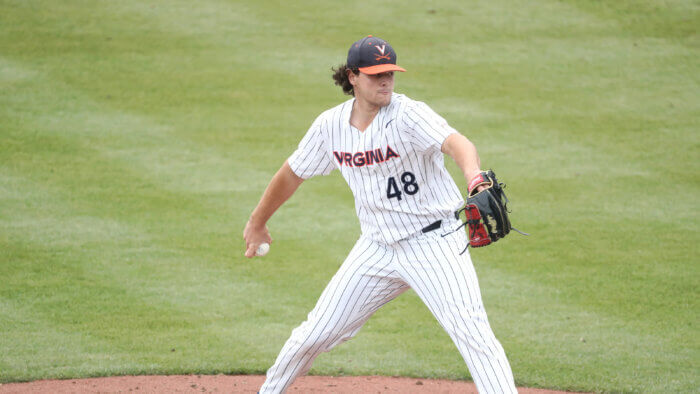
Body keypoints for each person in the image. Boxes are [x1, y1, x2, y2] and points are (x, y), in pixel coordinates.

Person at [243, 35, 517, 394]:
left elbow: (457, 143)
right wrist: (257, 222)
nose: (386, 80)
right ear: (353, 76)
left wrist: (474, 177)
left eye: (390, 72)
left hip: (434, 242)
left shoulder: (408, 114)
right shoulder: (330, 126)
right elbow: (292, 173)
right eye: (376, 74)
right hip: (376, 247)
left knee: (471, 331)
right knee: (315, 333)